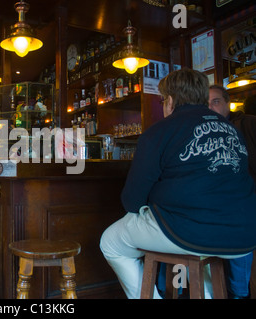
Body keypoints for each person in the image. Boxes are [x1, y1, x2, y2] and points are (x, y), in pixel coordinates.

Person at [99, 68, 256, 299]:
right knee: (198, 252)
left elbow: (131, 201)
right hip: (245, 236)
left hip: (190, 233)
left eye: (163, 100)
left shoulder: (160, 131)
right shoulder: (232, 130)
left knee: (110, 241)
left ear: (170, 100)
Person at [208, 85, 256, 299]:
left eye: (215, 101)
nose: (210, 107)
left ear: (228, 103)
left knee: (237, 218)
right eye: (205, 103)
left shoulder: (248, 124)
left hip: (244, 199)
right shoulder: (201, 131)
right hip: (216, 201)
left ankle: (239, 292)